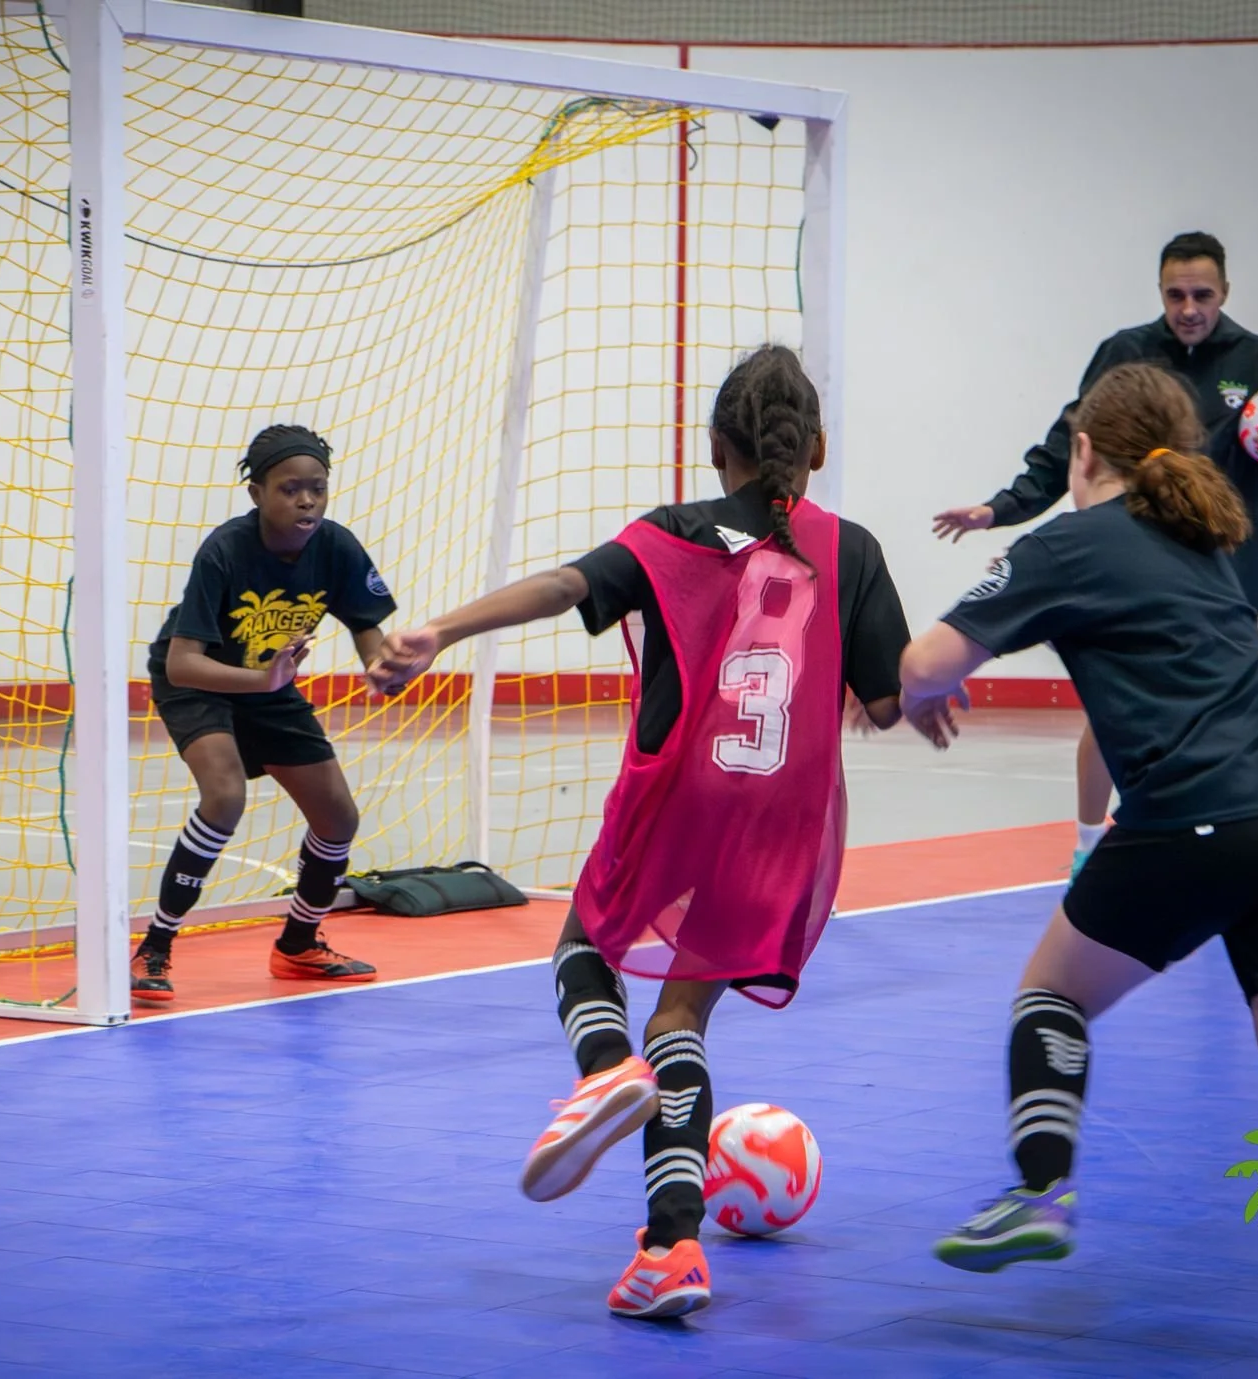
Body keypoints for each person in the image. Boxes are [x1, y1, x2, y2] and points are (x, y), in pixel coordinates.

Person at [902, 362, 1258, 1378]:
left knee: (1049, 994)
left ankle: (1037, 1190)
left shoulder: (1064, 540)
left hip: (1200, 816)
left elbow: (923, 660)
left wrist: (925, 690)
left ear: (1080, 450)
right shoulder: (1203, 544)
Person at [367, 345, 935, 1319]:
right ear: (818, 447)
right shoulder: (855, 549)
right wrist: (930, 684)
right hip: (781, 828)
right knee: (681, 1017)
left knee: (580, 947)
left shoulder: (672, 533)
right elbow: (888, 697)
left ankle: (600, 1071)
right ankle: (671, 1249)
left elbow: (559, 586)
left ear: (714, 445)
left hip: (682, 795)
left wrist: (441, 632)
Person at [931, 232, 1258, 876]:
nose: (1189, 308)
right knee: (1114, 709)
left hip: (1224, 568)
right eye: (1175, 294)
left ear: (1225, 293)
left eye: (1202, 294)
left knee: (1222, 706)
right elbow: (1068, 444)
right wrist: (999, 509)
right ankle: (1093, 843)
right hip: (1135, 562)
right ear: (1160, 293)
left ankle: (1210, 831)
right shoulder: (1126, 354)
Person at [132, 424, 397, 1002]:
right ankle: (155, 945)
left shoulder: (337, 547)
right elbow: (181, 664)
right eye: (290, 489)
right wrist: (261, 679)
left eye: (317, 488)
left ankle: (298, 944)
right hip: (203, 680)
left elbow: (366, 626)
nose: (307, 500)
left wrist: (386, 665)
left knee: (337, 818)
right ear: (256, 493)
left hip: (267, 681)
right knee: (224, 796)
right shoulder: (225, 550)